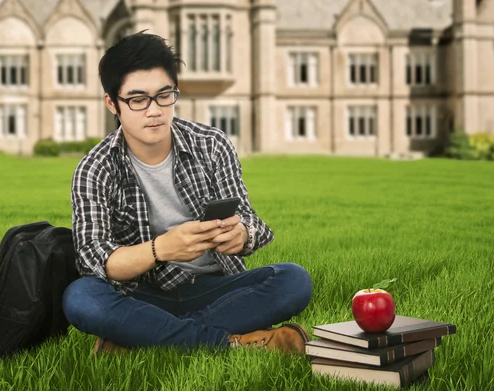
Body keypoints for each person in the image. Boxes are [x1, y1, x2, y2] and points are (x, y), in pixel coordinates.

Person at [62, 31, 313, 355]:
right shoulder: (94, 169)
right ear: (112, 102)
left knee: (294, 280)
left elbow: (251, 221)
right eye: (138, 100)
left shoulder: (212, 144)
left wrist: (241, 234)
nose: (154, 110)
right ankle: (233, 343)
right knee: (81, 297)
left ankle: (143, 336)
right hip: (139, 292)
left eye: (164, 95)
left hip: (214, 286)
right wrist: (161, 249)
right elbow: (95, 260)